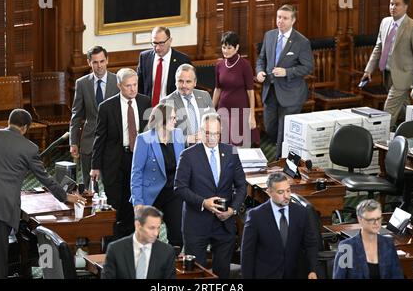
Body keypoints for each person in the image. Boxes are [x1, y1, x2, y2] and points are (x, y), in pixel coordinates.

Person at [0, 109, 85, 279]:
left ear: (8, 122)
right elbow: (45, 178)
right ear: (25, 127)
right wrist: (65, 196)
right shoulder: (29, 148)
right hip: (3, 206)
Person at [174, 113, 246, 278]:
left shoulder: (231, 152)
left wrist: (232, 210)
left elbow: (241, 185)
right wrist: (203, 202)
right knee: (197, 273)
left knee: (222, 272)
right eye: (208, 133)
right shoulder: (188, 155)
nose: (212, 138)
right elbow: (179, 187)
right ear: (200, 132)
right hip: (196, 223)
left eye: (216, 133)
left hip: (223, 222)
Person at [91, 68, 151, 238]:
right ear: (119, 86)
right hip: (114, 160)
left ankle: (133, 240)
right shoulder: (107, 107)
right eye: (128, 86)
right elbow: (99, 138)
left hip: (138, 159)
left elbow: (150, 134)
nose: (132, 89)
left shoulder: (145, 102)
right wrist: (95, 166)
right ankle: (113, 243)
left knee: (135, 201)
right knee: (116, 203)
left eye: (135, 85)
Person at [256, 4, 313, 160]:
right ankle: (279, 153)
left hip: (291, 94)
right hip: (270, 90)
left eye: (285, 18)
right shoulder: (269, 35)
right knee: (270, 126)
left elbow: (308, 67)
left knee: (283, 130)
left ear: (293, 20)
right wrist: (259, 71)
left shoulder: (301, 42)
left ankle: (278, 163)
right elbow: (261, 59)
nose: (280, 21)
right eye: (279, 17)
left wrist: (287, 72)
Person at [241, 172, 318, 279]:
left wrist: (312, 270)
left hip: (295, 273)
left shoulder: (301, 213)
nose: (286, 196)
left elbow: (311, 245)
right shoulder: (255, 216)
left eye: (288, 190)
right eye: (280, 192)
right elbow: (247, 253)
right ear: (269, 192)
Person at [363, 0, 413, 130]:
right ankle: (412, 131)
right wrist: (368, 70)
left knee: (388, 110)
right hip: (388, 74)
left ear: (405, 6)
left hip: (404, 77)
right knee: (406, 109)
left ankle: (381, 139)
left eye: (397, 4)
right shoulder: (385, 22)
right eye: (391, 4)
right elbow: (378, 47)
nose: (393, 7)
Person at [131, 103, 185, 249]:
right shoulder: (144, 139)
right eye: (172, 118)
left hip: (173, 193)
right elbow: (136, 173)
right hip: (151, 194)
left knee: (178, 236)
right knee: (148, 238)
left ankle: (172, 266)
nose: (175, 121)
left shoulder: (178, 134)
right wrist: (138, 202)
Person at [70, 46, 119, 189]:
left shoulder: (117, 81)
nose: (99, 66)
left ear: (107, 60)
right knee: (90, 184)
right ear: (89, 62)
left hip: (112, 140)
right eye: (95, 62)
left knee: (112, 183)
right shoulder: (82, 83)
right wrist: (73, 141)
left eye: (102, 61)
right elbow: (76, 115)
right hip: (89, 139)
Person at [333, 199, 404, 279]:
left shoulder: (388, 244)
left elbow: (397, 276)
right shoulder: (347, 248)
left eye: (378, 218)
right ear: (360, 219)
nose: (376, 223)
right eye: (371, 219)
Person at [101, 206, 176, 279]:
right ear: (138, 225)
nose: (156, 233)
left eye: (158, 227)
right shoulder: (115, 249)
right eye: (151, 228)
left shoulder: (167, 252)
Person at [212, 31, 257, 147]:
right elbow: (217, 89)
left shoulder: (245, 65)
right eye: (223, 47)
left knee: (239, 146)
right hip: (223, 110)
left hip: (240, 111)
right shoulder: (219, 65)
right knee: (222, 145)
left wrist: (252, 116)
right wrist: (211, 110)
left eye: (229, 48)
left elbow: (251, 92)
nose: (225, 51)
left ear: (237, 47)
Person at [137, 26, 191, 106]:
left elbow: (187, 88)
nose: (158, 48)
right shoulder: (145, 57)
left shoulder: (182, 60)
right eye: (154, 43)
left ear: (170, 40)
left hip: (173, 108)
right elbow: (139, 85)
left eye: (161, 43)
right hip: (148, 108)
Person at [161, 63, 214, 144]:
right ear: (175, 82)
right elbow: (164, 134)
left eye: (188, 81)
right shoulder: (166, 102)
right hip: (183, 150)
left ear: (195, 82)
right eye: (180, 81)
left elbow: (214, 122)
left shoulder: (205, 96)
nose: (184, 85)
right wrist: (186, 139)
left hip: (206, 146)